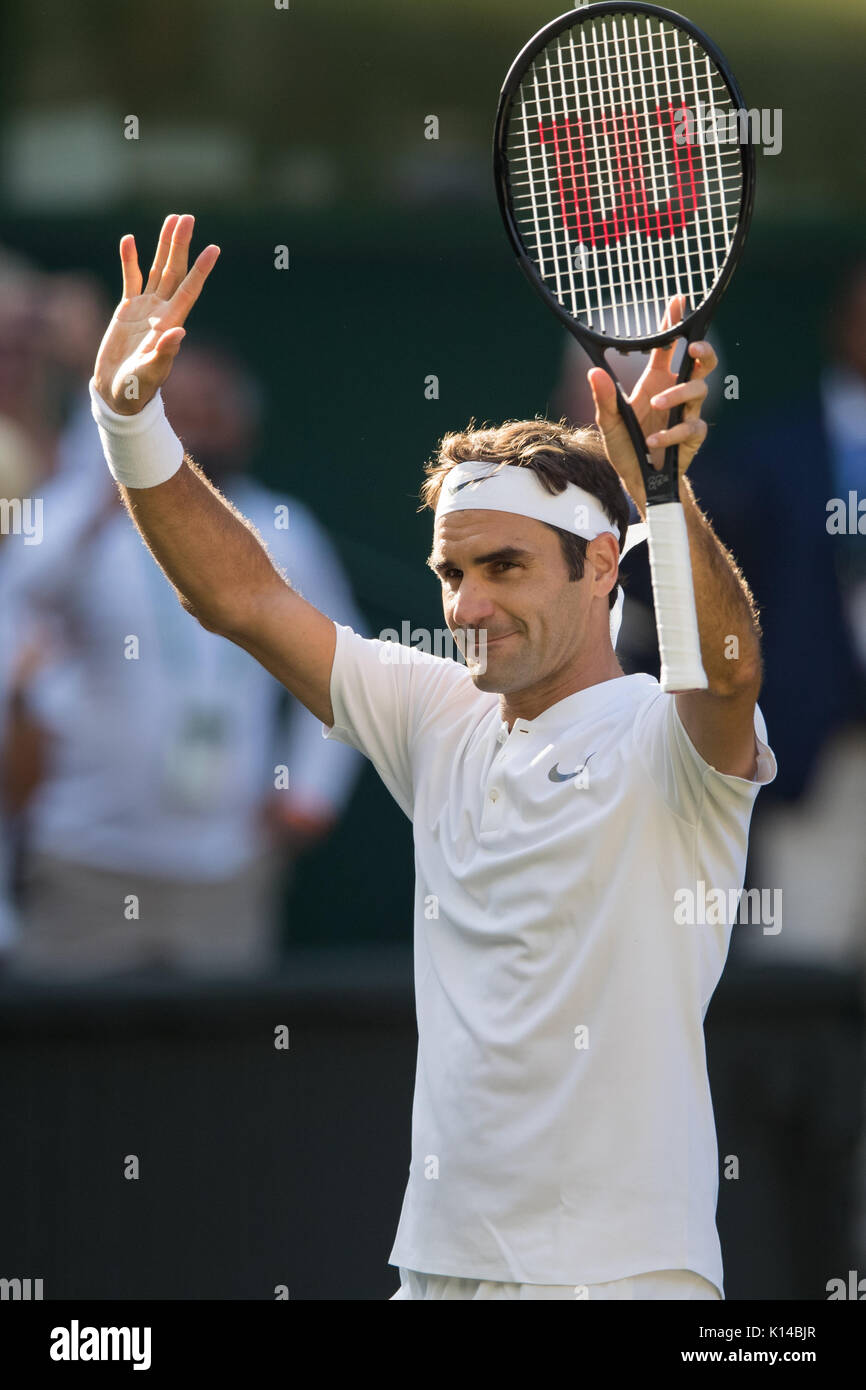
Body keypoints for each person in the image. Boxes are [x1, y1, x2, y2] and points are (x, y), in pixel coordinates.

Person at [87, 212, 776, 1298]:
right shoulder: (434, 712)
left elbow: (727, 672)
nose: (469, 605)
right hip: (438, 1265)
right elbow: (241, 596)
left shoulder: (667, 735)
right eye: (453, 574)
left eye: (503, 567)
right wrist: (127, 418)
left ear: (602, 569)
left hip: (626, 1272)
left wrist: (662, 493)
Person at [1, 335, 364, 980]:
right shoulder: (85, 514)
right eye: (178, 409)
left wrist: (309, 793)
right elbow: (23, 593)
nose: (197, 425)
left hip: (222, 869)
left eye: (214, 408)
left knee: (214, 1068)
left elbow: (341, 668)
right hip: (84, 857)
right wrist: (103, 494)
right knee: (66, 1067)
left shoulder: (283, 527)